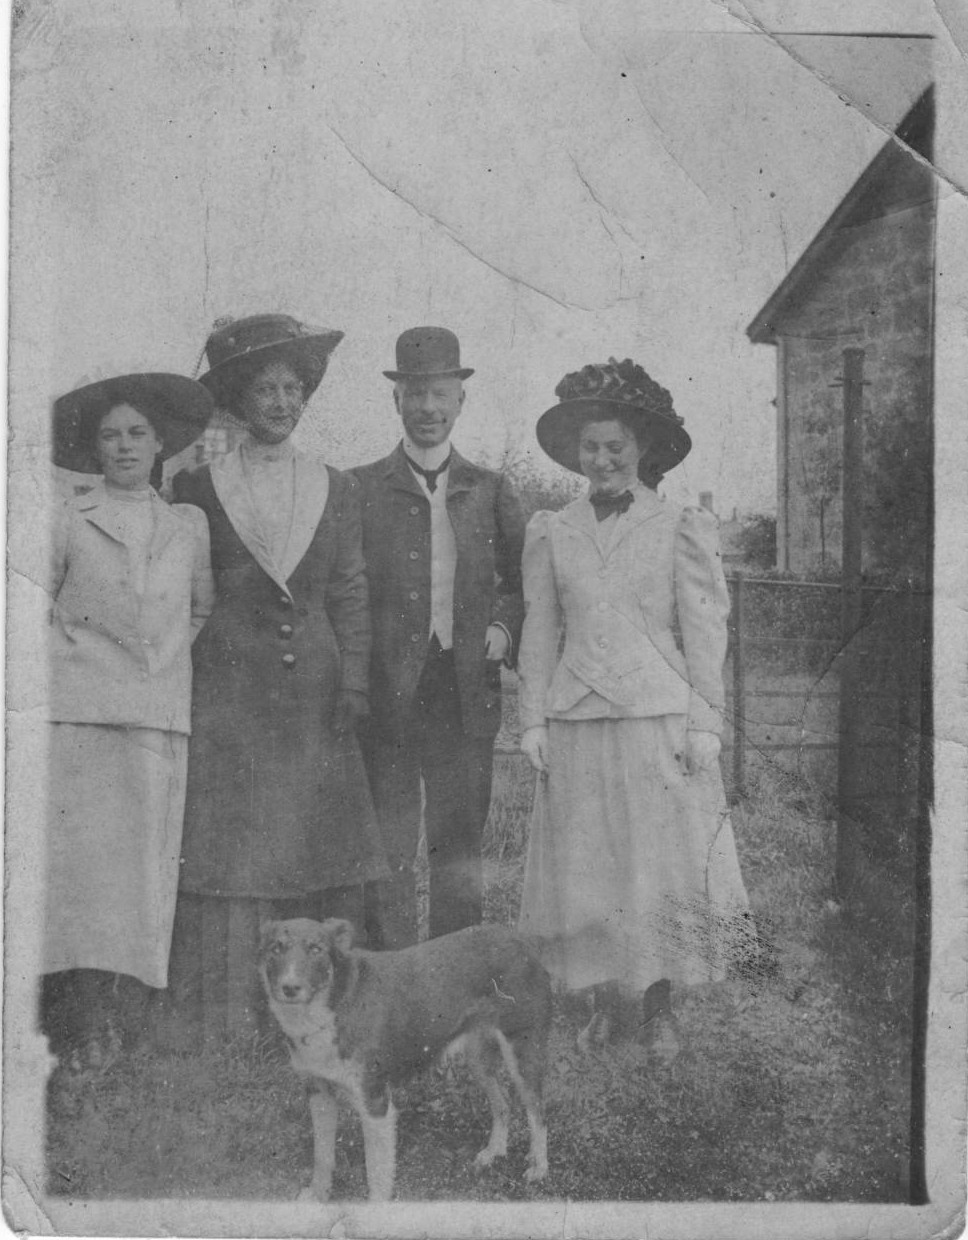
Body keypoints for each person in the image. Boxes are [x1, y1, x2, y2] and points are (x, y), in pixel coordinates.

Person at [517, 357, 753, 1051]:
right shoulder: (553, 529)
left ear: (642, 448)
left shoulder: (681, 524)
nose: (603, 460)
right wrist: (532, 716)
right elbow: (540, 627)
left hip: (656, 716)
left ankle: (655, 1006)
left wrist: (706, 718)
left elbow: (706, 627)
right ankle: (601, 1002)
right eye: (590, 448)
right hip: (578, 716)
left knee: (655, 866)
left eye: (615, 446)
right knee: (588, 867)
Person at [170, 313, 388, 1035]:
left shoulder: (335, 485)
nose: (281, 402)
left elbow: (350, 589)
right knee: (238, 843)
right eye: (265, 388)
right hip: (232, 692)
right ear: (239, 397)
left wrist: (354, 682)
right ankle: (234, 1016)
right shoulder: (200, 486)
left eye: (293, 388)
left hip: (317, 696)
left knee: (317, 842)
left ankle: (327, 1010)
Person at [43, 372, 215, 1067]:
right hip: (81, 719)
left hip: (156, 719)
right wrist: (76, 663)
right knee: (85, 877)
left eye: (136, 433)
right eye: (111, 435)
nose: (123, 446)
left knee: (144, 874)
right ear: (95, 447)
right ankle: (78, 1022)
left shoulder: (186, 526)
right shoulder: (68, 519)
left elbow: (199, 609)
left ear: (160, 444)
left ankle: (130, 1017)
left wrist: (161, 664)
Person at [354, 327, 526, 948]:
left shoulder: (491, 488)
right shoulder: (361, 488)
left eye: (441, 395)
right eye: (416, 394)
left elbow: (521, 579)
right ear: (395, 401)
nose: (428, 409)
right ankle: (391, 975)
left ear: (461, 402)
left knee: (459, 845)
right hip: (388, 696)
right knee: (389, 844)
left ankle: (456, 980)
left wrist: (504, 629)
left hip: (463, 691)